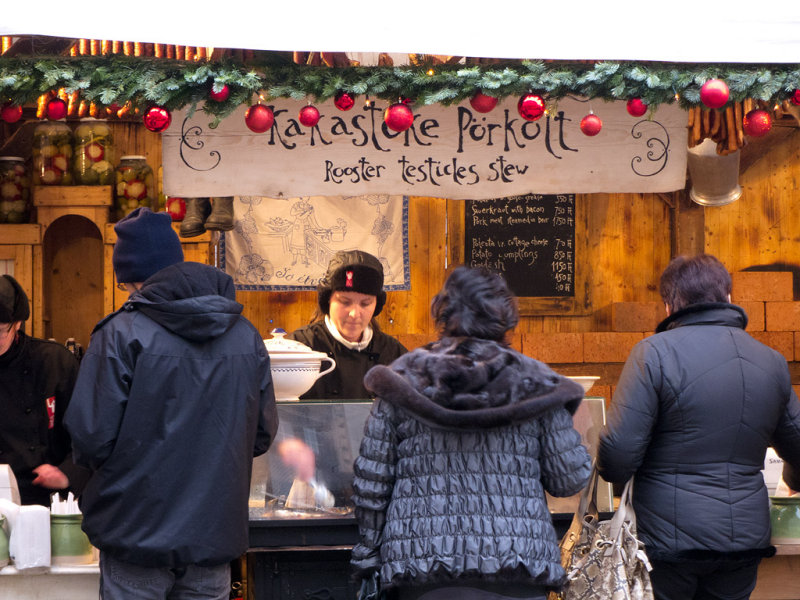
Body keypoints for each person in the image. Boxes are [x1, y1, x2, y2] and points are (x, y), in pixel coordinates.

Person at [65, 207, 278, 600]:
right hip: (211, 539)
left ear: (130, 277)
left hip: (135, 537)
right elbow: (261, 436)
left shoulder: (120, 334)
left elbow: (91, 438)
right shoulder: (246, 336)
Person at [350, 265, 592, 600]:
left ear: (444, 312)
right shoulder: (536, 383)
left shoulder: (402, 378)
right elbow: (569, 478)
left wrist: (368, 554)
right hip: (517, 568)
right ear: (505, 316)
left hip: (422, 570)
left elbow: (372, 486)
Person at [597, 253, 800, 600]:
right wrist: (793, 481)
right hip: (743, 543)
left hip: (667, 542)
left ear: (668, 305)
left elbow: (617, 454)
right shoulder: (772, 361)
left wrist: (616, 483)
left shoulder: (653, 354)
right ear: (729, 298)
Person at [0, 274, 89, 506]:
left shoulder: (54, 363)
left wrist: (67, 473)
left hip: (46, 500)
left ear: (17, 324)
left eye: (0, 331)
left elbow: (87, 435)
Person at [287, 249, 407, 400]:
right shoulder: (300, 347)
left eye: (365, 304)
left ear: (376, 305)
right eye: (345, 302)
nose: (354, 314)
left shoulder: (393, 352)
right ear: (327, 300)